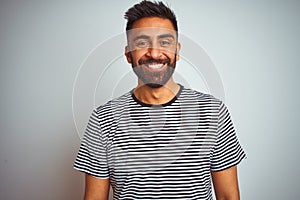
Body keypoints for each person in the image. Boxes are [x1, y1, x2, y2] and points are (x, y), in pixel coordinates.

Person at [74, 1, 246, 199]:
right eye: (142, 43)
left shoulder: (213, 112)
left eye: (164, 42)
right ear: (128, 54)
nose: (154, 53)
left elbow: (228, 197)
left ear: (177, 50)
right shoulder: (102, 120)